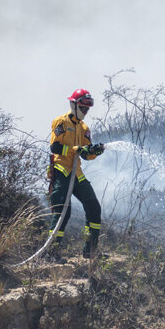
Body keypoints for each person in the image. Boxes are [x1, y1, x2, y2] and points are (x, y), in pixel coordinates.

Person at [47, 89, 106, 259]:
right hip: (61, 169)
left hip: (76, 172)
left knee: (94, 208)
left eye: (88, 109)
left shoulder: (84, 128)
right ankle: (51, 252)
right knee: (62, 212)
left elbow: (86, 155)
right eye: (83, 108)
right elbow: (55, 147)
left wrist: (94, 151)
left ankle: (90, 250)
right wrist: (76, 149)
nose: (85, 112)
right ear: (73, 105)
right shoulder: (61, 122)